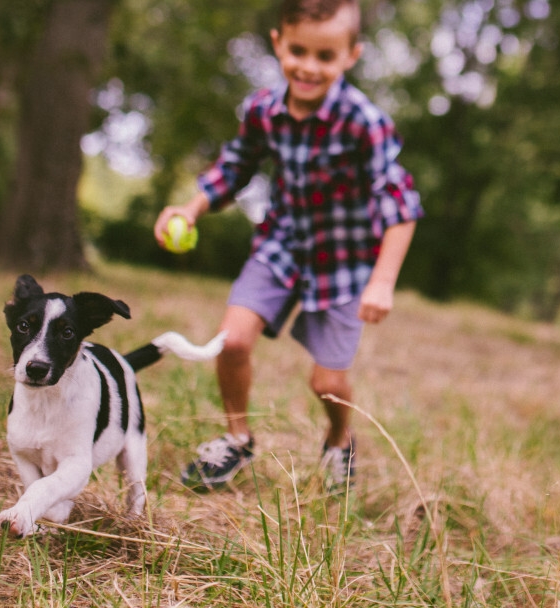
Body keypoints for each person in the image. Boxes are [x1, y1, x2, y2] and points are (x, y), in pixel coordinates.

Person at [154, 0, 423, 492]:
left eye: (325, 56)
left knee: (327, 385)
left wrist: (382, 282)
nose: (308, 66)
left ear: (350, 56)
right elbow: (233, 169)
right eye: (297, 50)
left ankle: (340, 441)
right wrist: (189, 209)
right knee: (231, 341)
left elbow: (401, 204)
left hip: (345, 264)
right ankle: (237, 439)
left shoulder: (364, 122)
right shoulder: (262, 110)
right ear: (278, 43)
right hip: (281, 246)